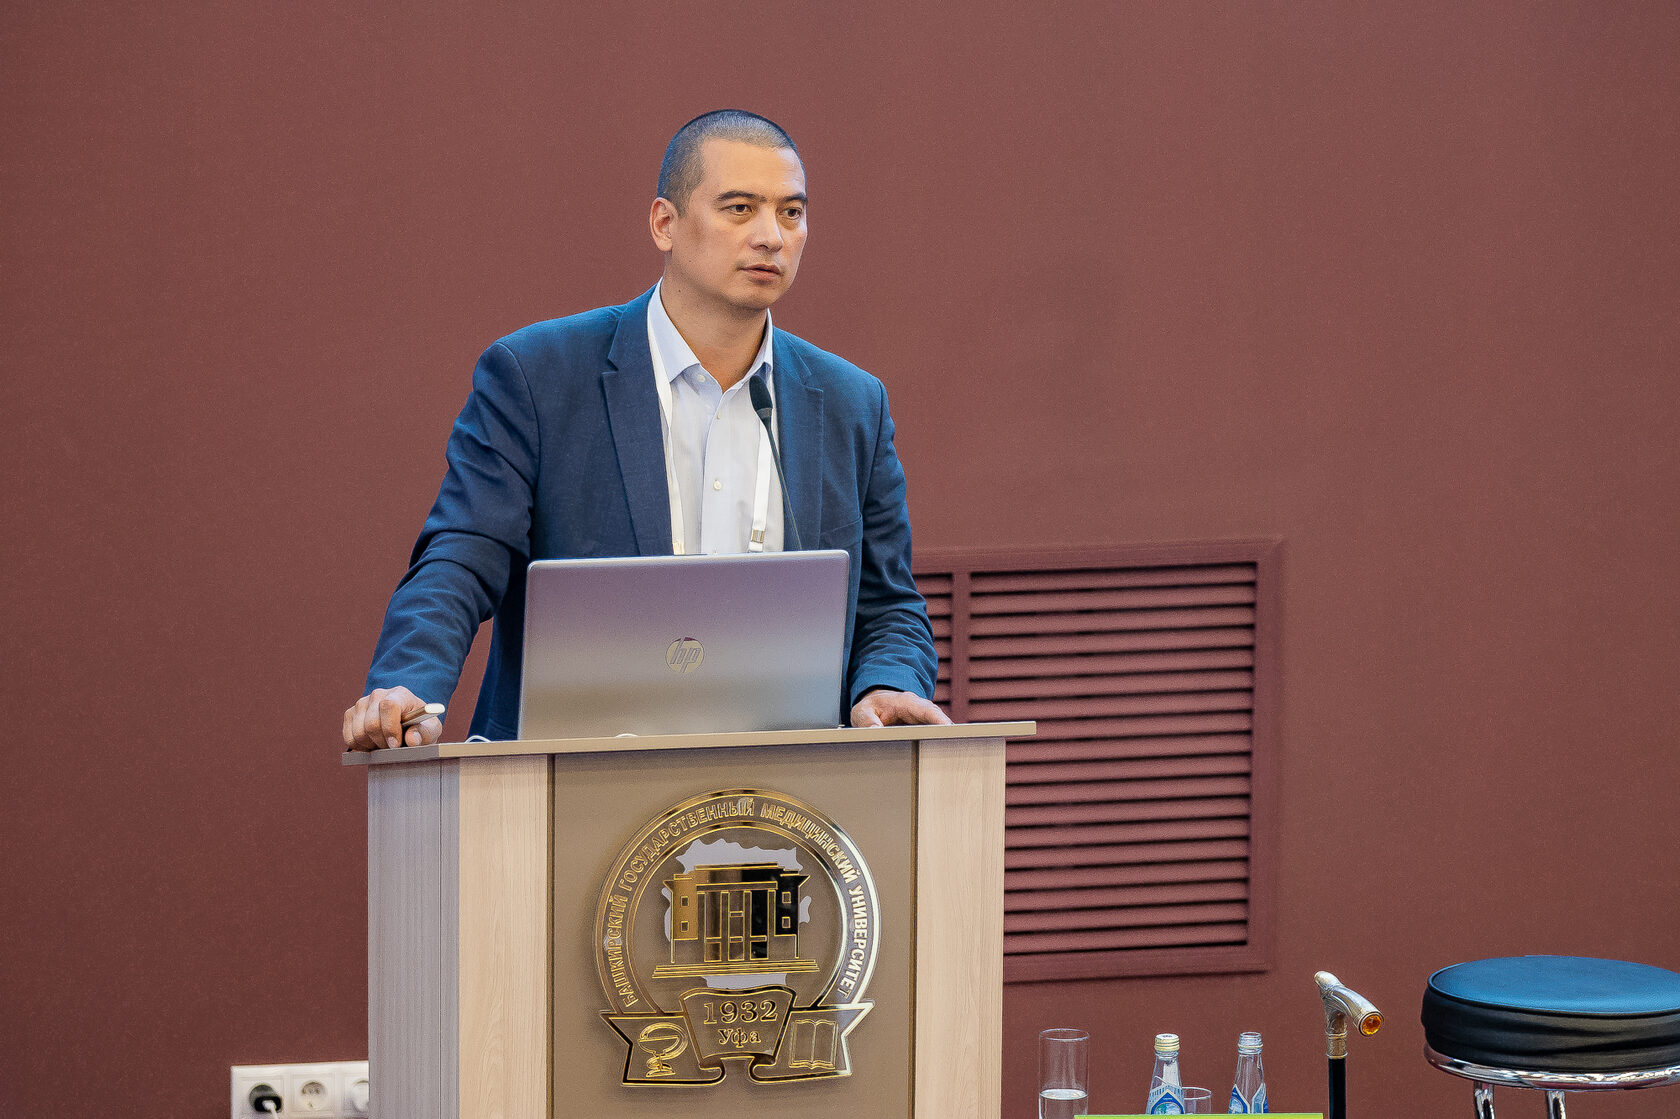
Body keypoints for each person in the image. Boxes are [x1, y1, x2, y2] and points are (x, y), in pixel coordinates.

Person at [342, 110, 948, 752]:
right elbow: (462, 556)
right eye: (740, 209)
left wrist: (887, 684)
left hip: (783, 789)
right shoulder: (539, 376)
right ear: (665, 223)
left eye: (791, 213)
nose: (771, 236)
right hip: (571, 774)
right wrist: (409, 684)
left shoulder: (852, 403)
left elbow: (888, 605)